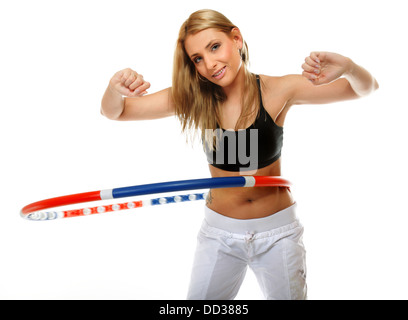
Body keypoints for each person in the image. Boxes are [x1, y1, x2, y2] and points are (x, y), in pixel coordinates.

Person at [101, 9, 378, 300]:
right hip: (219, 235)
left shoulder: (279, 89)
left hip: (278, 232)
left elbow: (364, 89)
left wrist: (348, 66)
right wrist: (114, 87)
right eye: (197, 58)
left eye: (214, 47)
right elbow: (114, 111)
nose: (209, 64)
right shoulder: (192, 97)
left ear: (236, 38)